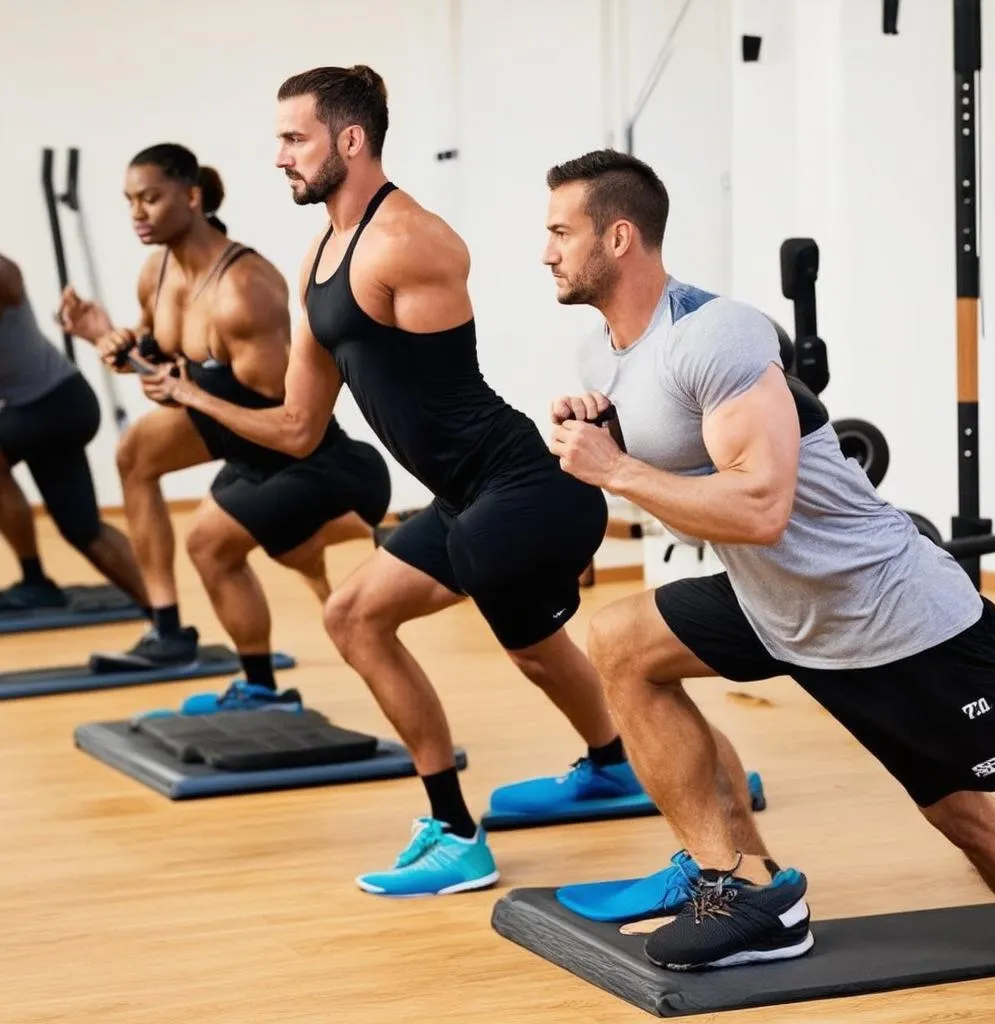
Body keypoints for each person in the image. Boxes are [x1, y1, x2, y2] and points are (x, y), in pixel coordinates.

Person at [139, 65, 767, 898]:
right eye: (280, 140)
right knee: (443, 634)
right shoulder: (318, 256)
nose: (280, 157)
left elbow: (438, 379)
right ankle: (569, 783)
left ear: (350, 140)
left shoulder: (410, 240)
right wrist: (185, 392)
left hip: (519, 487)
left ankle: (537, 827)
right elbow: (297, 425)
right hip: (472, 495)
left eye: (295, 138)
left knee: (495, 642)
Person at [542, 148, 995, 971]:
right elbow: (686, 469)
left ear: (619, 237)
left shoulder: (717, 334)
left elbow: (760, 508)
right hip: (778, 606)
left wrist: (614, 467)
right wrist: (610, 433)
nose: (546, 250)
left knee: (964, 816)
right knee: (620, 642)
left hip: (883, 614)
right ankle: (741, 886)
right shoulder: (605, 357)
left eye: (560, 231)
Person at [59, 144, 391, 706]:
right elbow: (156, 349)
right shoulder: (157, 271)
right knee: (141, 465)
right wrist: (109, 339)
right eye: (130, 201)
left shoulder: (244, 291)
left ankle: (259, 673)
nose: (137, 213)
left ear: (191, 197)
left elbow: (286, 418)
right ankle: (178, 634)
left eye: (150, 198)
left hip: (306, 460)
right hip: (244, 453)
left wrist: (184, 387)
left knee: (208, 542)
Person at [0, 252, 147, 611]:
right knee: (83, 530)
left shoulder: (4, 274)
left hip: (56, 404)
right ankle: (162, 610)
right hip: (44, 407)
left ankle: (35, 579)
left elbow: (9, 279)